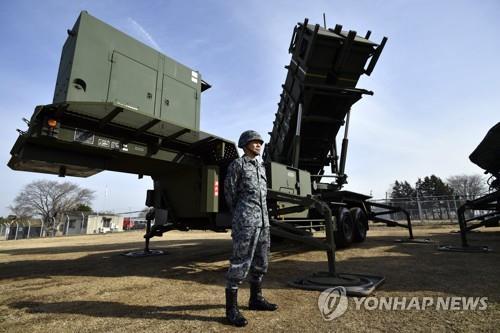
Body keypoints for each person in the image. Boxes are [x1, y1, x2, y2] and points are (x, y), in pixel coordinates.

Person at [224, 130, 278, 327]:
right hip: (246, 222)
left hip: (263, 222)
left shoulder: (261, 167)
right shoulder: (237, 165)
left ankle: (255, 299)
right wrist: (243, 213)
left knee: (261, 262)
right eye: (254, 142)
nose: (258, 145)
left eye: (260, 142)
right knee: (240, 262)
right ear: (245, 144)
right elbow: (230, 193)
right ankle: (231, 309)